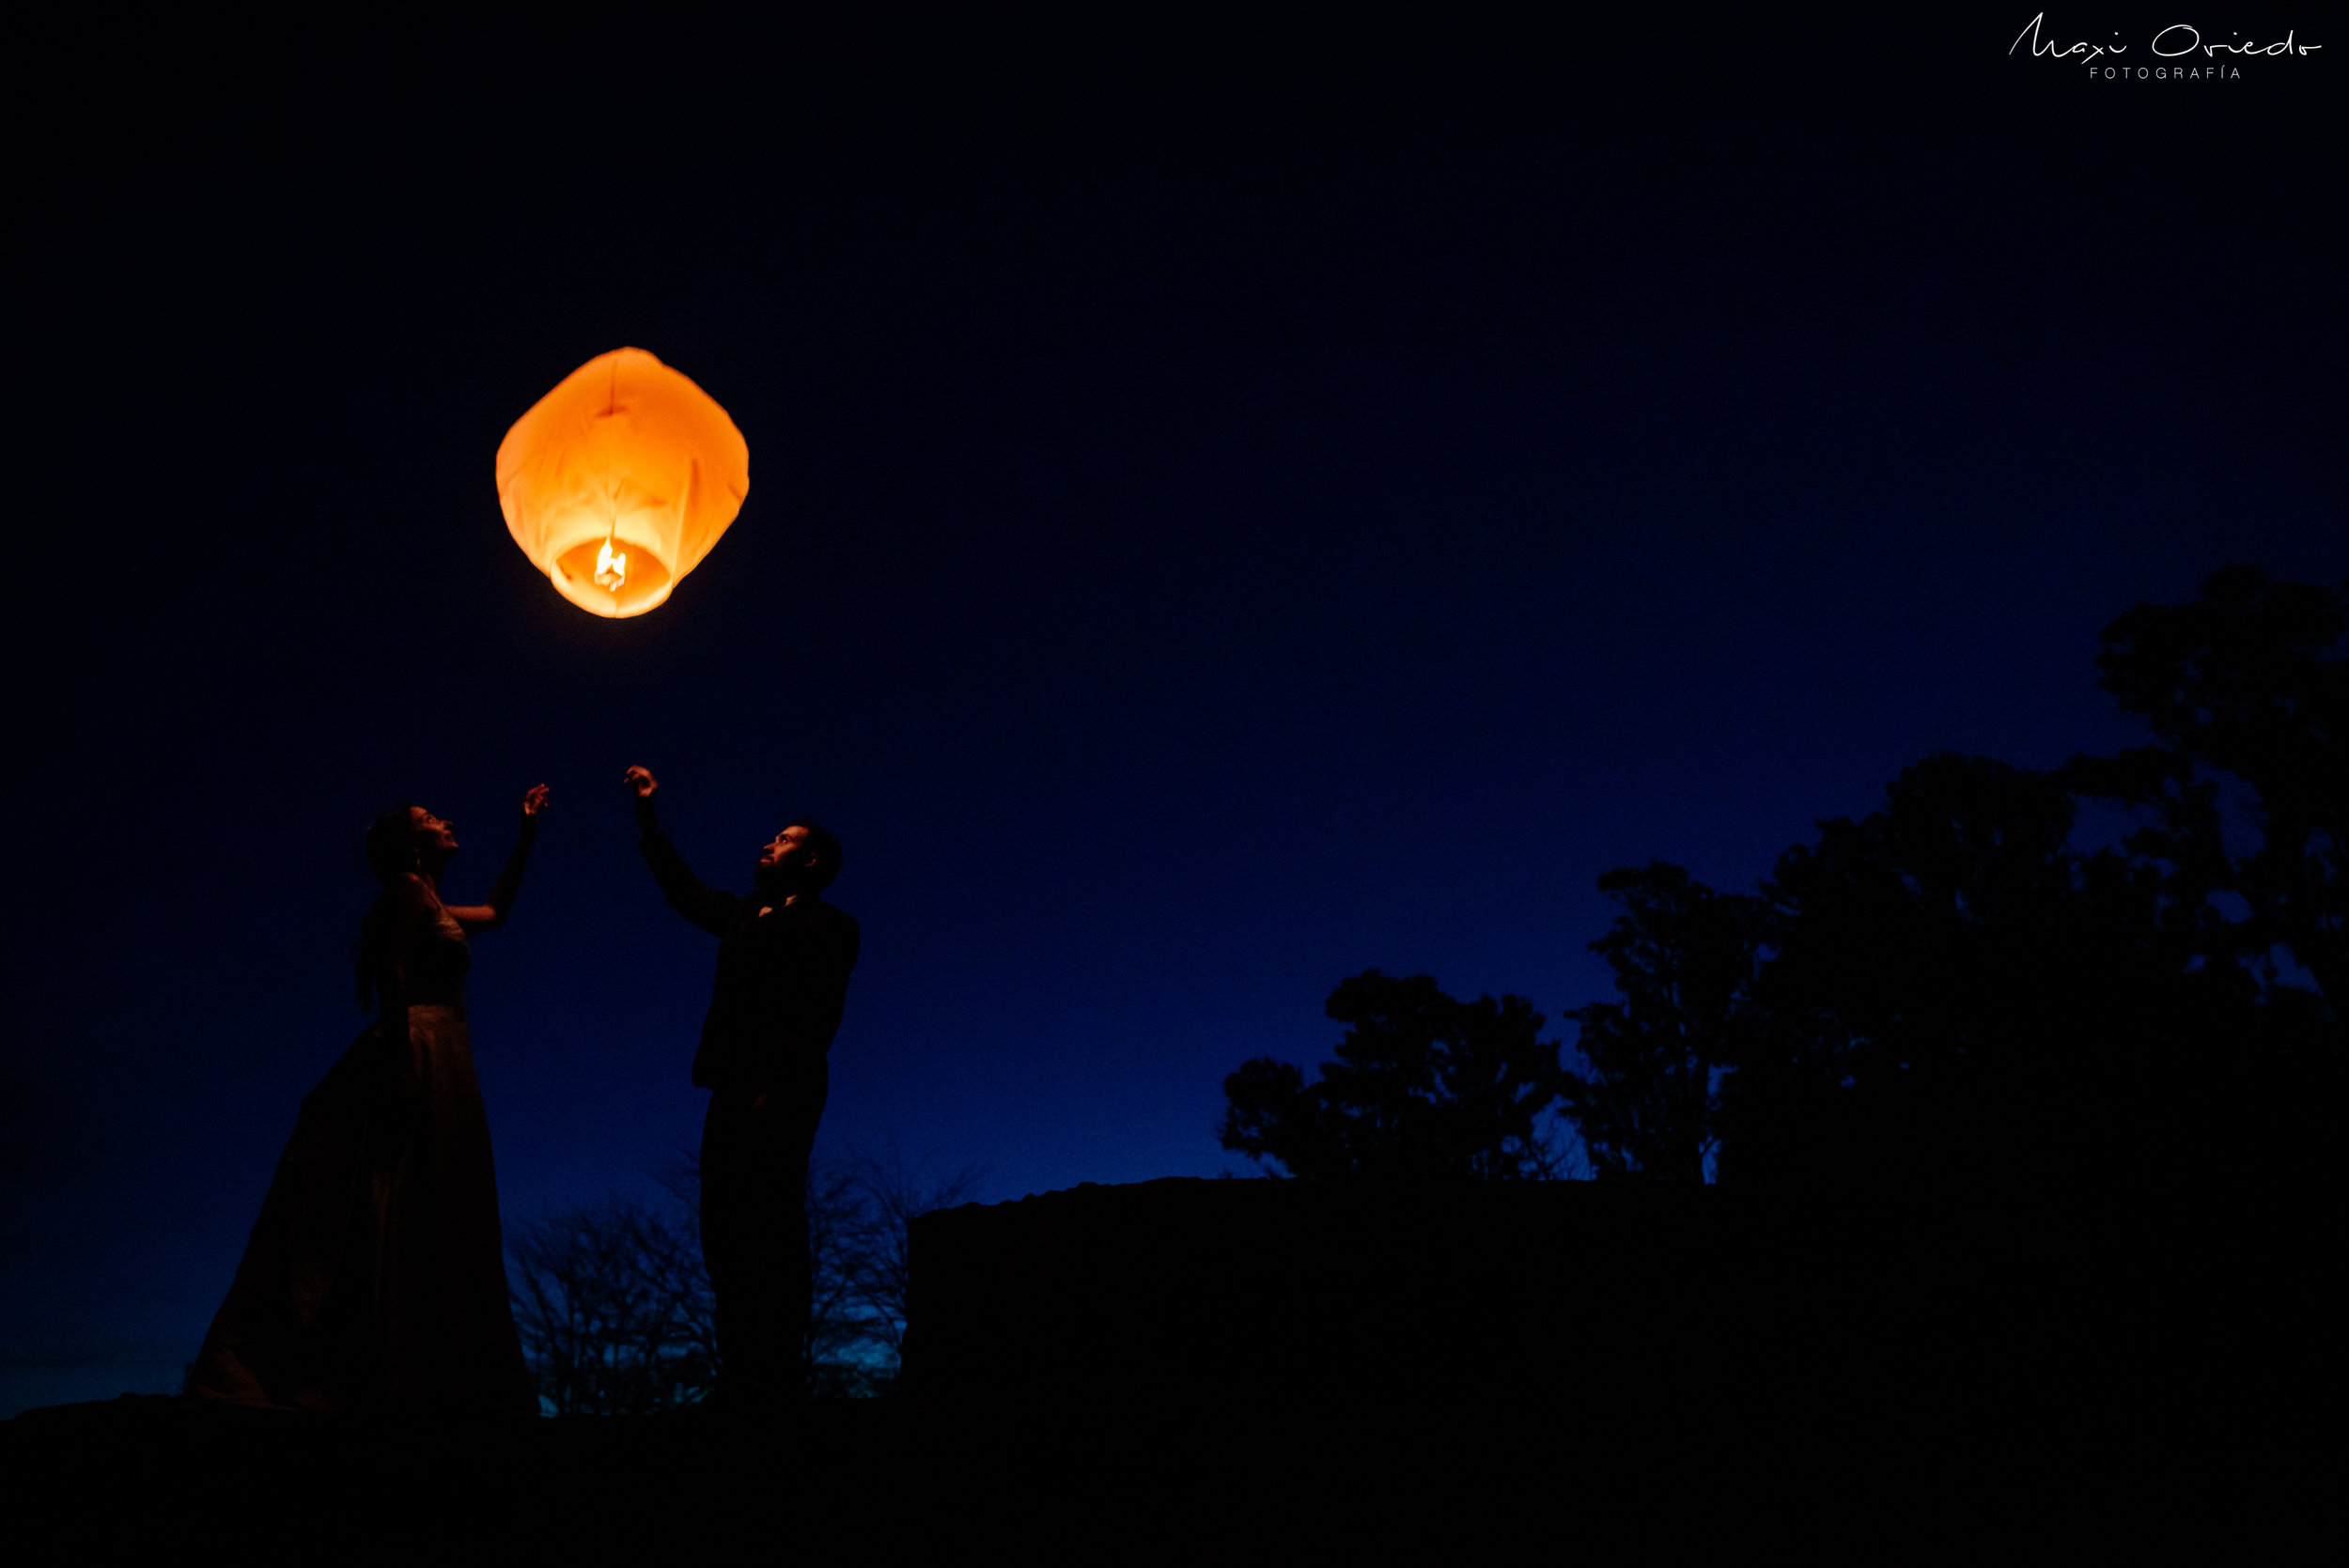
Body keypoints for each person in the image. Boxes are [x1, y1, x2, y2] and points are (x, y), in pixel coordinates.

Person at [188, 785, 551, 1415]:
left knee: (433, 1196)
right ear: (411, 844)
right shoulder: (408, 890)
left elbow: (497, 910)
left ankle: (421, 1361)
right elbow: (393, 972)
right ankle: (383, 1367)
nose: (446, 819)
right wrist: (405, 1063)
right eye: (431, 818)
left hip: (442, 1048)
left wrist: (525, 836)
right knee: (404, 1191)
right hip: (421, 1043)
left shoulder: (429, 896)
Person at [624, 765, 859, 1408]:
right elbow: (682, 889)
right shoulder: (745, 913)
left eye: (783, 839)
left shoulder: (833, 925)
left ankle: (778, 1371)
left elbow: (817, 1011)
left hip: (782, 1086)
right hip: (730, 1085)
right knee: (723, 1225)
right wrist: (648, 816)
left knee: (772, 1222)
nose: (767, 843)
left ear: (809, 860)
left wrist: (773, 1085)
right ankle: (741, 1371)